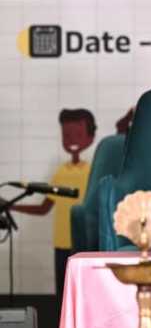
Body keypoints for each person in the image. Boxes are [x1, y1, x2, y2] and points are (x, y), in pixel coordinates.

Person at [13, 109, 95, 309]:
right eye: (67, 135)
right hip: (62, 243)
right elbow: (44, 208)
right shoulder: (60, 172)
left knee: (85, 292)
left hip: (84, 241)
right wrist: (12, 206)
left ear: (90, 136)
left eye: (78, 134)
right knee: (63, 293)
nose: (72, 140)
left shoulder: (92, 170)